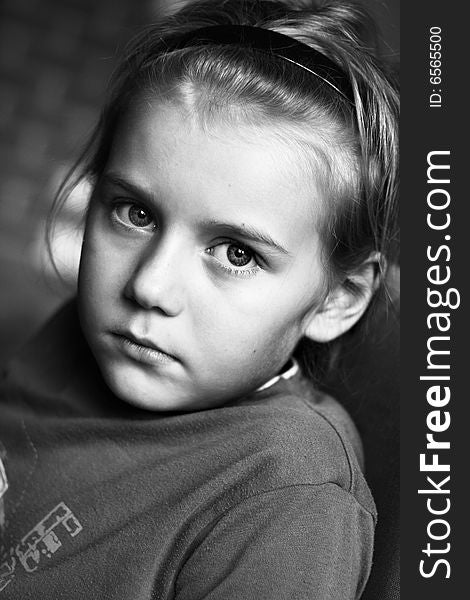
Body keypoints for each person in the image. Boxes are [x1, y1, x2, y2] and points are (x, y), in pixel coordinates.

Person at [0, 0, 398, 597]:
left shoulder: (287, 499)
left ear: (336, 299)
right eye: (134, 214)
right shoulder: (89, 336)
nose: (149, 286)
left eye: (237, 253)